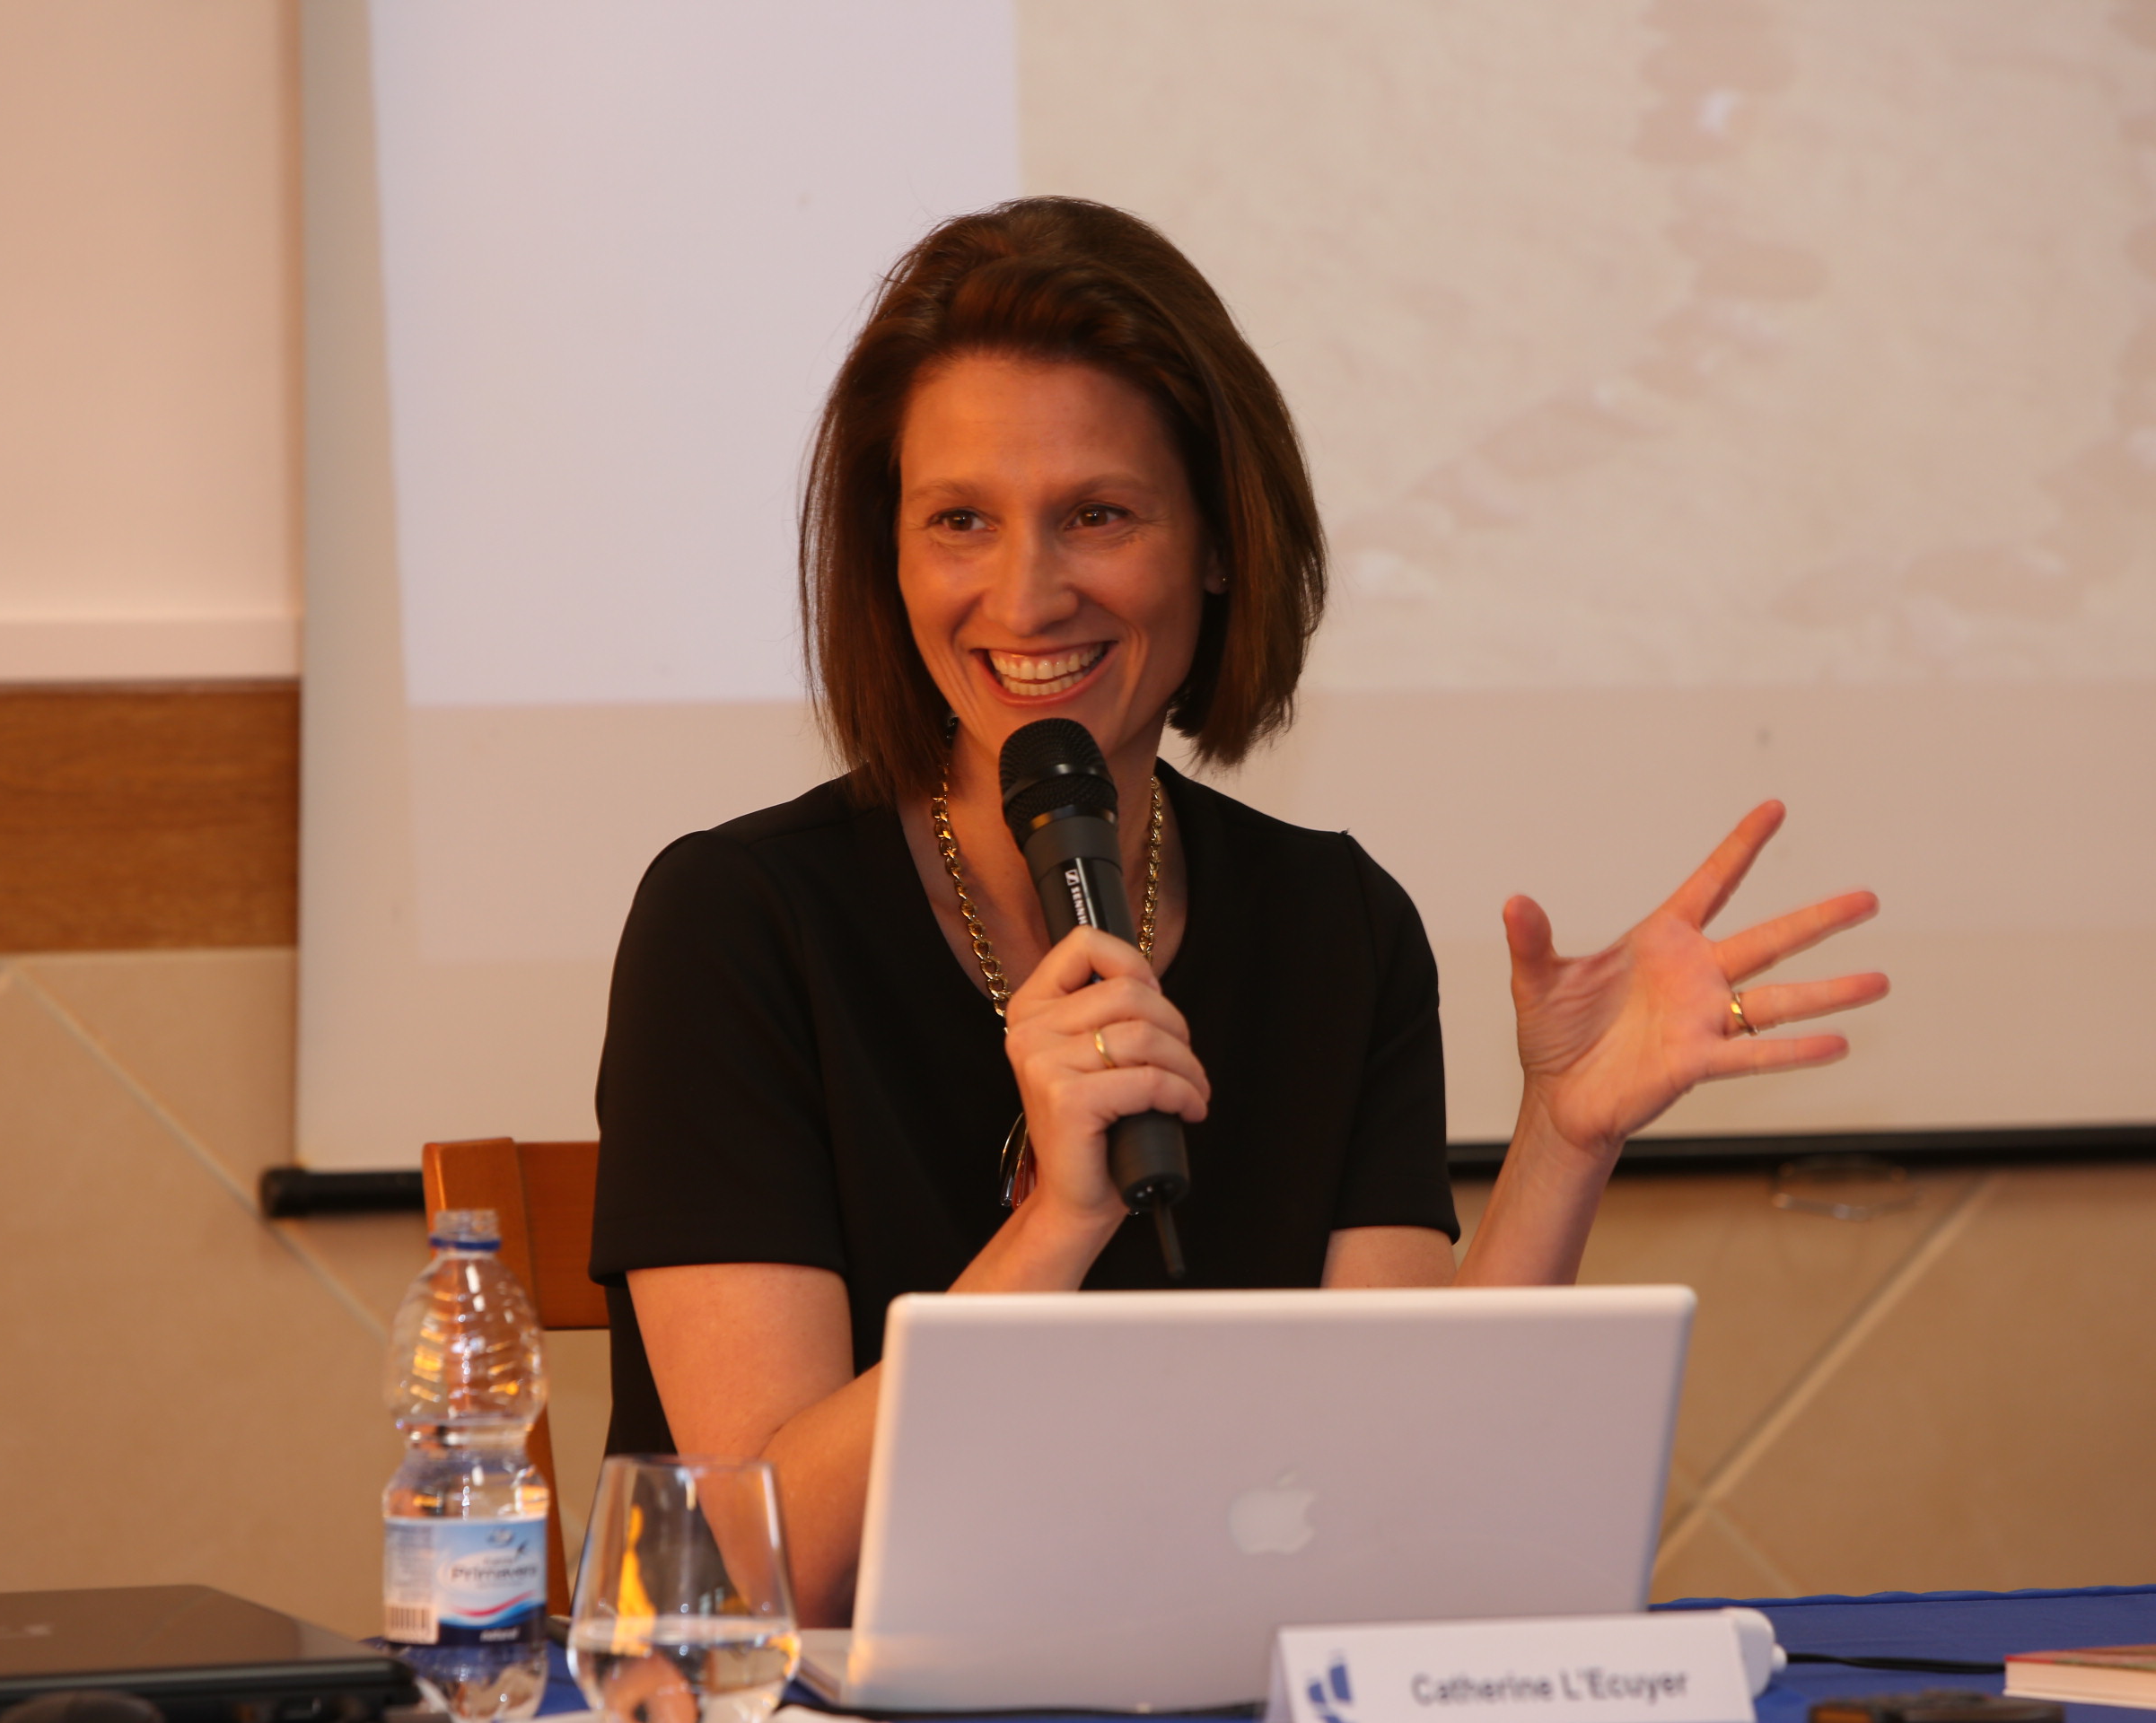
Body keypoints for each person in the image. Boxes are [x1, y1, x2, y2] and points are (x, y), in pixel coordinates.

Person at [588, 197, 1887, 1626]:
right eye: (959, 521)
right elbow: (749, 1561)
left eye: (1097, 516)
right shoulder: (739, 922)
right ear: (887, 560)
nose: (1026, 594)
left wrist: (1564, 1138)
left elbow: (1410, 1489)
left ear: (1217, 540)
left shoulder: (1336, 924)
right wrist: (1054, 1227)